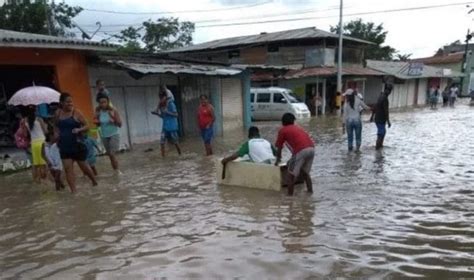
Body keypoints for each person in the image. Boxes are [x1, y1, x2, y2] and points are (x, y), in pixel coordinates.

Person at [56, 93, 97, 193]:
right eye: (67, 101)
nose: (70, 103)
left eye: (71, 101)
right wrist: (56, 134)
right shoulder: (58, 113)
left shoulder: (76, 113)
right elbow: (55, 126)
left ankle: (94, 182)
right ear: (62, 103)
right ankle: (74, 192)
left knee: (84, 168)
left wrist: (79, 129)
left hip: (77, 145)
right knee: (68, 169)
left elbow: (88, 126)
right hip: (64, 146)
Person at [275, 113, 315, 196]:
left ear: (283, 122)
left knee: (290, 176)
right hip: (311, 149)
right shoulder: (298, 128)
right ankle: (310, 192)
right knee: (305, 173)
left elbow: (279, 147)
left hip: (301, 150)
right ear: (293, 121)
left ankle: (290, 198)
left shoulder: (283, 130)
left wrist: (277, 160)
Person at [94, 94, 122, 172]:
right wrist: (96, 121)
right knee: (109, 155)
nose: (103, 104)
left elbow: (120, 124)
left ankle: (118, 171)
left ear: (108, 102)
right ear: (99, 103)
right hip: (104, 135)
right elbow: (96, 122)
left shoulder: (113, 110)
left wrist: (113, 120)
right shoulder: (98, 111)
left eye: (104, 102)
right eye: (101, 102)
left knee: (112, 154)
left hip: (114, 134)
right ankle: (115, 171)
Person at [23, 106, 48, 183]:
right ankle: (45, 180)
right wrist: (46, 126)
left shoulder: (25, 120)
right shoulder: (39, 119)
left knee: (35, 164)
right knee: (44, 163)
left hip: (33, 144)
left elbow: (25, 134)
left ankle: (36, 181)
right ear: (35, 110)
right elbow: (45, 131)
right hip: (42, 142)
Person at [157, 92, 181, 157]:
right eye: (160, 98)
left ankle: (180, 154)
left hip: (172, 126)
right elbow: (163, 116)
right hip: (164, 127)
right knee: (162, 142)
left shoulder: (171, 104)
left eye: (162, 98)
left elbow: (176, 115)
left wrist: (167, 112)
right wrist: (157, 114)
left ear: (165, 97)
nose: (161, 99)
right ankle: (163, 157)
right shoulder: (161, 106)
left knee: (175, 142)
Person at [372, 84, 393, 150]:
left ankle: (379, 148)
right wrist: (388, 121)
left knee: (382, 132)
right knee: (381, 134)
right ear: (386, 90)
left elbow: (375, 106)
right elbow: (386, 110)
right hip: (380, 119)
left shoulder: (380, 96)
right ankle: (377, 149)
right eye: (389, 90)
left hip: (378, 119)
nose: (389, 92)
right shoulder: (385, 99)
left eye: (390, 91)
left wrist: (372, 116)